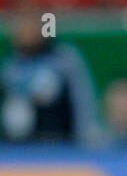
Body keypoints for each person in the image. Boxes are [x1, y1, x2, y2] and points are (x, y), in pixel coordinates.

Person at [0, 8, 103, 146]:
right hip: (18, 147)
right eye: (21, 26)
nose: (26, 32)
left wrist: (87, 136)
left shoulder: (64, 59)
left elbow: (81, 99)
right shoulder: (9, 65)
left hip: (60, 143)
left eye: (31, 25)